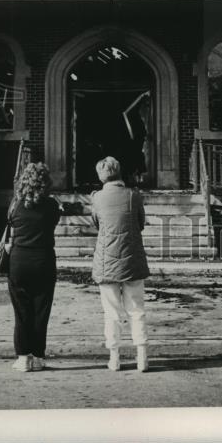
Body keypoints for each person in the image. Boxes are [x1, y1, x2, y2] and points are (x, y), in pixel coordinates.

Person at [91, 156, 150, 372]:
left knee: (112, 311)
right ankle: (142, 356)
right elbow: (140, 223)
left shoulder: (97, 198)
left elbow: (97, 223)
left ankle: (114, 357)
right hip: (132, 259)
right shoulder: (134, 196)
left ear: (101, 176)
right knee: (137, 309)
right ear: (119, 172)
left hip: (106, 261)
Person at [6, 161, 61, 372]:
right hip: (44, 261)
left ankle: (22, 357)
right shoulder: (52, 206)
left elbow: (10, 223)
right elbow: (53, 222)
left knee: (22, 312)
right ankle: (38, 357)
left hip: (19, 263)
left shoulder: (15, 204)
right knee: (41, 311)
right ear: (46, 182)